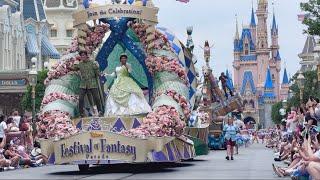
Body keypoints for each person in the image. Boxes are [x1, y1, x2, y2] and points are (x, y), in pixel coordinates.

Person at [71, 51, 103, 117]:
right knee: (81, 98)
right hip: (83, 84)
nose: (82, 57)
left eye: (83, 55)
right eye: (81, 56)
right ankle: (81, 113)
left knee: (96, 98)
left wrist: (97, 68)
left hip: (92, 83)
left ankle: (100, 111)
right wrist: (68, 65)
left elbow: (98, 73)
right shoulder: (80, 64)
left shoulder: (92, 63)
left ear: (86, 55)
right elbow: (73, 68)